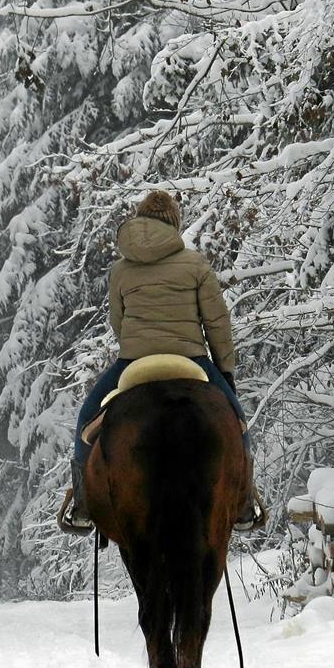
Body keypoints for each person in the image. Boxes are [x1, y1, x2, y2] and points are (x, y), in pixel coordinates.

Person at [62, 190, 265, 534]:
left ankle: (82, 504)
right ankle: (244, 502)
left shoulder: (121, 270)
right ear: (174, 224)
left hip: (133, 362)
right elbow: (217, 323)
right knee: (236, 421)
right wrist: (225, 371)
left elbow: (118, 322)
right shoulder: (195, 264)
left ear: (140, 220)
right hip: (191, 359)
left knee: (86, 421)